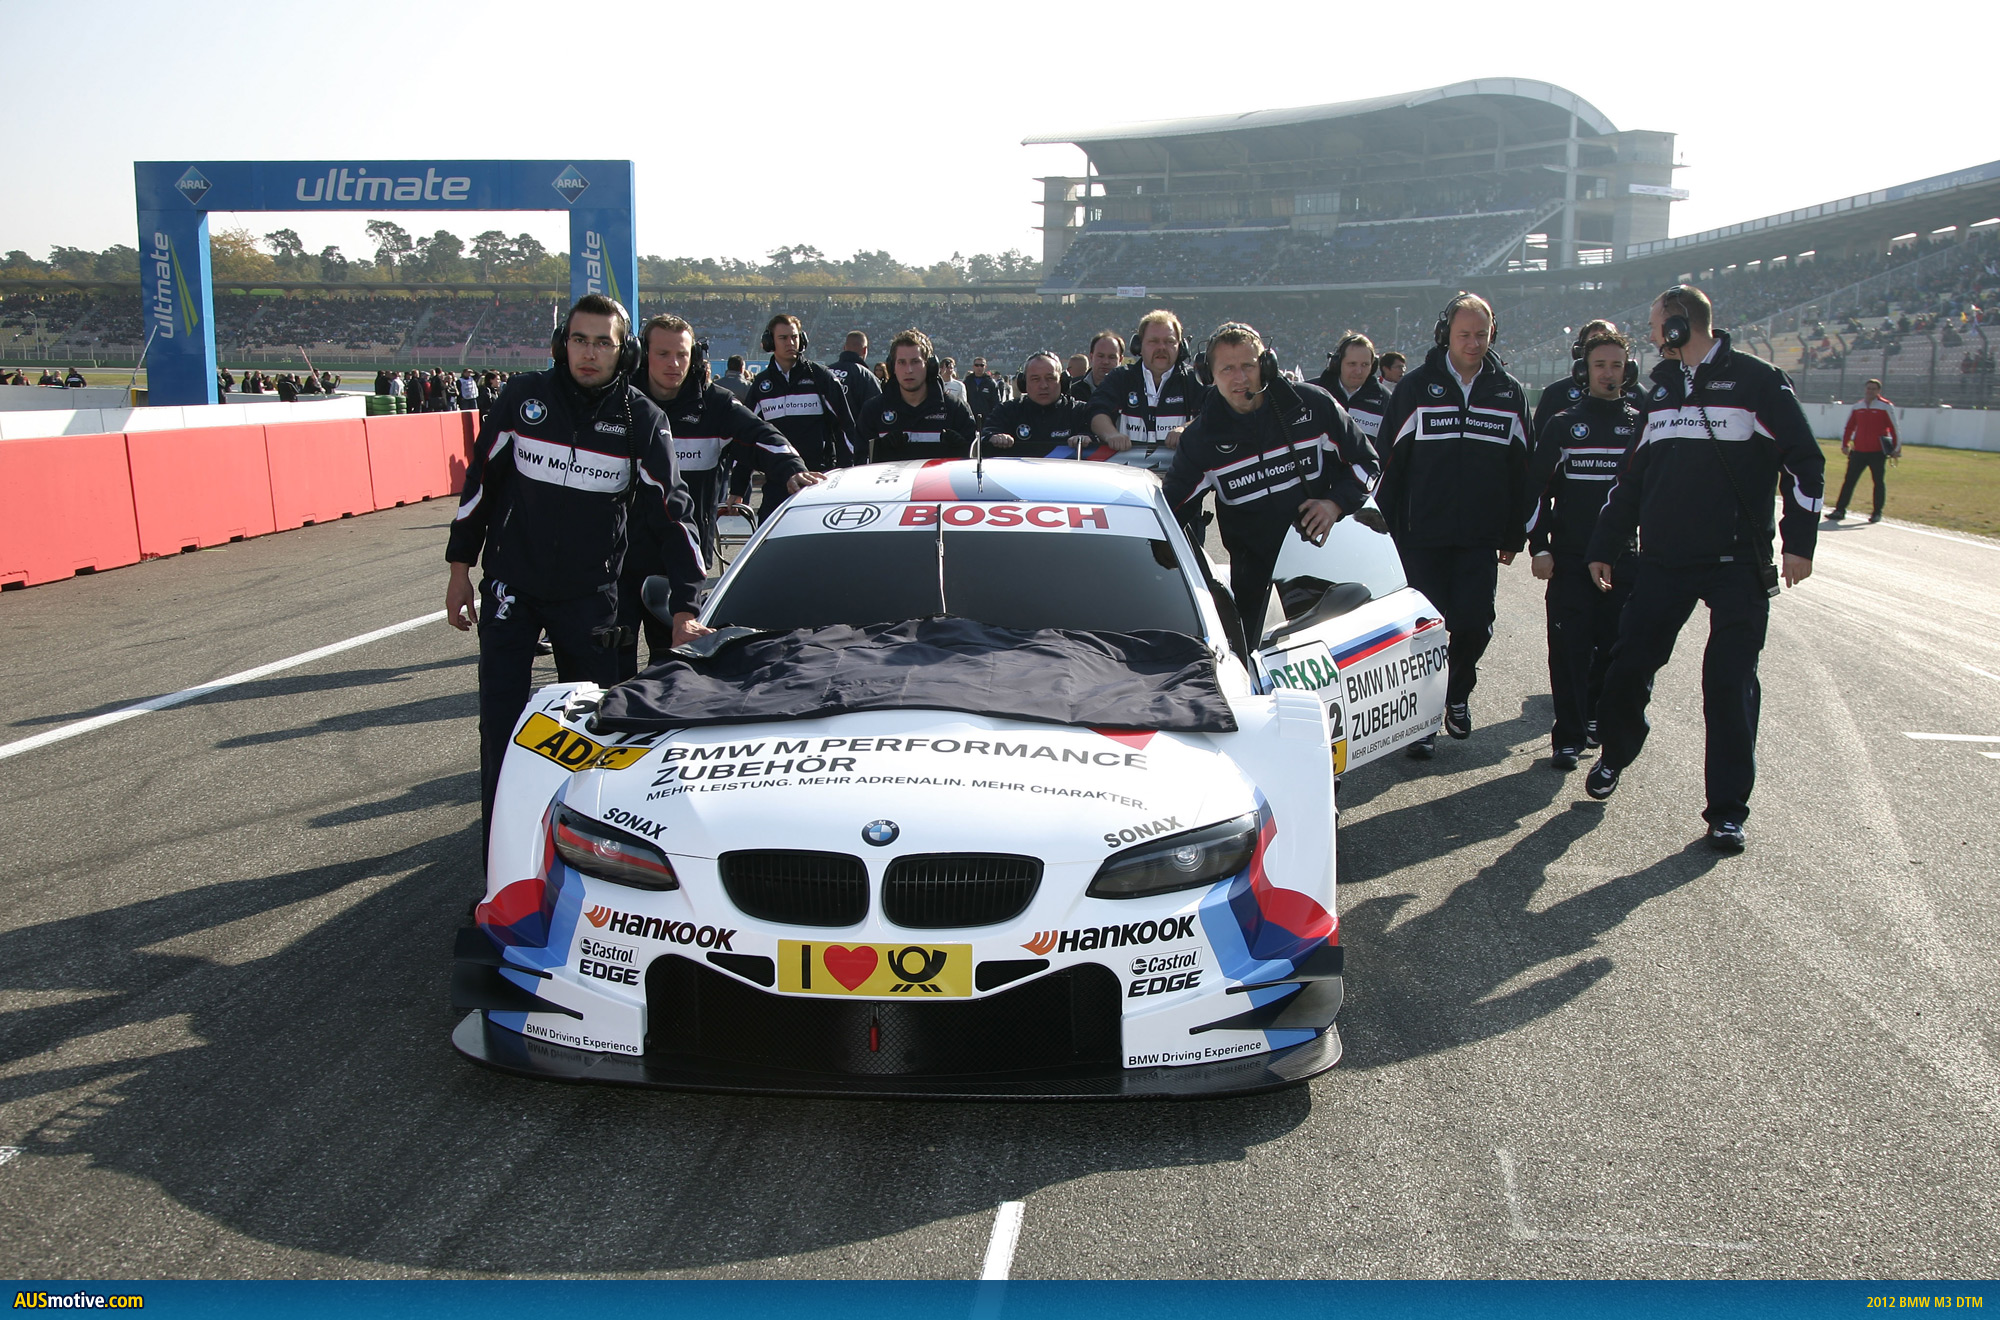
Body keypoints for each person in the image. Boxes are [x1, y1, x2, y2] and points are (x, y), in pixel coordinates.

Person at [444, 294, 708, 854]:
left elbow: (674, 515)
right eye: (579, 340)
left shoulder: (642, 419)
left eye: (603, 343)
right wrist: (459, 569)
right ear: (561, 344)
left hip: (591, 598)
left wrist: (686, 608)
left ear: (624, 352)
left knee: (590, 732)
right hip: (512, 588)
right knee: (502, 728)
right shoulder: (522, 398)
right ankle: (500, 864)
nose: (589, 353)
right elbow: (479, 486)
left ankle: (583, 861)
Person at [1583, 284, 1825, 852]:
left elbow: (1805, 462)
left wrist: (1799, 543)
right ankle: (1616, 753)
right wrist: (1604, 544)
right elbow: (1631, 477)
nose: (1649, 337)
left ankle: (1727, 813)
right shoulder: (1661, 390)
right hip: (1664, 561)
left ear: (1677, 326)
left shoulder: (1759, 382)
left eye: (1655, 325)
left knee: (1729, 684)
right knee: (1626, 668)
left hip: (1737, 563)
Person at [1375, 292, 1532, 758]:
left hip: (1480, 537)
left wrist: (1514, 533)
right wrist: (1382, 532)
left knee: (1475, 625)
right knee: (1423, 631)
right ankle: (1422, 721)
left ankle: (1456, 694)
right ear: (1446, 334)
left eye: (1482, 335)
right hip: (1421, 535)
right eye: (1464, 334)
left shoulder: (1509, 393)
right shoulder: (1415, 388)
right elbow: (1388, 462)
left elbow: (1523, 469)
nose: (1473, 343)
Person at [1162, 322, 1377, 647]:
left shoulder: (1313, 404)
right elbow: (1170, 511)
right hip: (1256, 589)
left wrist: (1334, 504)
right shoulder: (1201, 440)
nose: (1239, 378)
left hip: (1327, 571)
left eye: (1248, 366)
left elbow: (1368, 463)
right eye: (1227, 369)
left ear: (1266, 365)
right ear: (1209, 375)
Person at [625, 314, 815, 673]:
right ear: (642, 355)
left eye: (682, 354)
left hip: (681, 562)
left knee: (673, 669)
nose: (674, 363)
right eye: (663, 354)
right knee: (608, 670)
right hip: (619, 560)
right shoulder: (620, 402)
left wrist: (792, 469)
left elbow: (764, 436)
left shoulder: (715, 405)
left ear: (694, 357)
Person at [1524, 330, 1642, 771]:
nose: (1608, 374)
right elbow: (1535, 491)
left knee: (1615, 651)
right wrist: (1540, 547)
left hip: (1624, 560)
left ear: (1628, 371)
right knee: (1570, 650)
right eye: (1600, 365)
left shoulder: (1642, 426)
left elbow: (1655, 495)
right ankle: (1568, 737)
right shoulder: (1562, 425)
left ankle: (1596, 719)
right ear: (1584, 371)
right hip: (1570, 559)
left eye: (1617, 366)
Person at [1087, 310, 1201, 469]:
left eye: (1169, 341)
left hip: (1180, 476)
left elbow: (1213, 413)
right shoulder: (1120, 377)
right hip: (1128, 476)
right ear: (1139, 346)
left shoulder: (1195, 379)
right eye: (1153, 341)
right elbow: (1097, 412)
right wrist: (1111, 434)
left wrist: (1187, 429)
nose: (1161, 347)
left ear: (1180, 347)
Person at [747, 313, 857, 472]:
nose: (790, 343)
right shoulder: (760, 384)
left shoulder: (821, 377)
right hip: (778, 476)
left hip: (819, 475)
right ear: (769, 342)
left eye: (794, 337)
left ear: (802, 340)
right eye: (783, 338)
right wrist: (740, 484)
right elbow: (748, 434)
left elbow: (845, 427)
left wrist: (845, 470)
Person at [857, 329, 979, 462]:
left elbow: (975, 463)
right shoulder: (873, 411)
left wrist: (962, 450)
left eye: (915, 362)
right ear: (892, 367)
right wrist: (879, 451)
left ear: (930, 366)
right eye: (902, 362)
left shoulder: (956, 409)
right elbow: (859, 462)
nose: (908, 370)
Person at [982, 350, 1098, 457]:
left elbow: (1098, 441)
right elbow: (985, 436)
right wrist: (993, 437)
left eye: (1050, 378)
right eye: (1035, 379)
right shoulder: (1006, 411)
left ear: (1063, 381)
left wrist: (1088, 438)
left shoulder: (1081, 412)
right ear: (1024, 383)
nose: (1043, 385)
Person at [1827, 378, 1899, 524]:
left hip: (1877, 452)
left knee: (1878, 482)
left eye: (1873, 389)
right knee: (1849, 480)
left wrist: (1896, 448)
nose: (1870, 391)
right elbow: (1850, 426)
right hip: (1859, 451)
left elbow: (1894, 428)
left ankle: (1877, 512)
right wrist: (1845, 444)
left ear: (1878, 391)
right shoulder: (1857, 406)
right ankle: (1840, 510)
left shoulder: (1886, 406)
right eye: (1868, 388)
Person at [1312, 331, 1391, 444]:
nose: (1358, 371)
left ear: (1373, 366)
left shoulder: (1386, 400)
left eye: (1365, 365)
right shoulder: (1313, 393)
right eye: (1352, 364)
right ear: (1337, 363)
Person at [827, 330, 882, 424]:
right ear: (864, 350)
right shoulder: (867, 377)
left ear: (844, 348)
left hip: (824, 431)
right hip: (854, 431)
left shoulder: (825, 372)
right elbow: (877, 411)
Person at [1069, 330, 1124, 403]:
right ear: (1091, 357)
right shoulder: (1072, 393)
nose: (1105, 362)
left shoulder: (1130, 392)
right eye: (1100, 356)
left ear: (1120, 359)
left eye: (1112, 357)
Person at [965, 356, 1002, 422]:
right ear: (973, 366)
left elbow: (996, 402)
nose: (979, 367)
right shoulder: (967, 381)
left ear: (985, 367)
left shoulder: (991, 383)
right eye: (977, 365)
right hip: (969, 419)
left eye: (982, 365)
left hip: (986, 419)